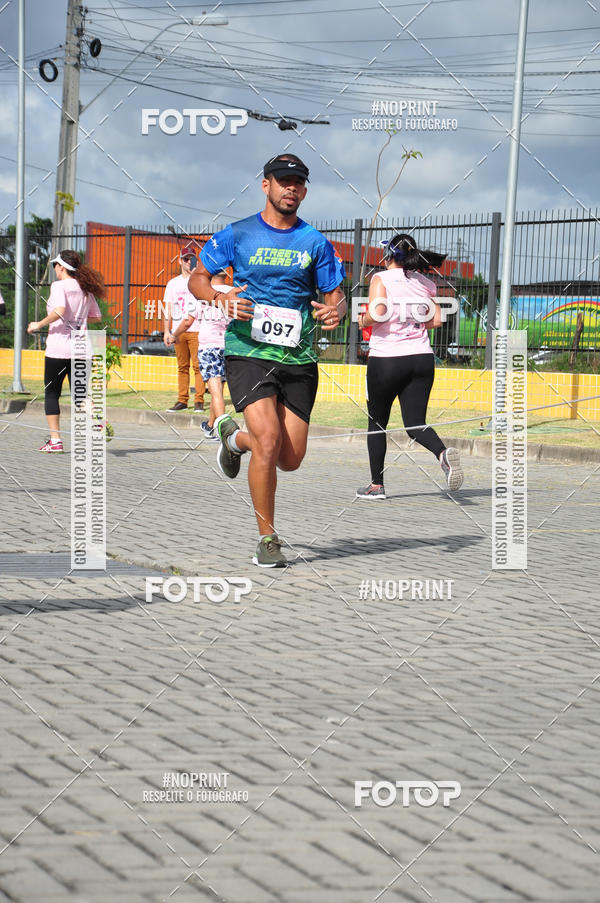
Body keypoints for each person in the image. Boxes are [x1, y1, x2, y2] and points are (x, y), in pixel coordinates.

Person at [189, 153, 346, 567]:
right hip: (248, 352)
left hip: (299, 357)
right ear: (266, 185)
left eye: (298, 182)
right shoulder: (237, 234)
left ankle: (233, 440)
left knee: (289, 459)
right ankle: (267, 538)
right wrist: (220, 298)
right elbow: (197, 278)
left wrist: (336, 312)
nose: (290, 188)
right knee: (270, 440)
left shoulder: (315, 242)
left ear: (305, 191)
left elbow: (335, 297)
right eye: (283, 181)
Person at [356, 233, 463, 499]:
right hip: (421, 359)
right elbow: (437, 320)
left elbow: (378, 314)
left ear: (388, 254)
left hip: (387, 360)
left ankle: (376, 486)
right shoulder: (426, 283)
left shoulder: (380, 278)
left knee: (377, 423)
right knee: (415, 423)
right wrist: (411, 322)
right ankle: (442, 454)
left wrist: (363, 319)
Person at [27, 249, 103, 453]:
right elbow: (96, 317)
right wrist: (78, 318)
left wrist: (38, 324)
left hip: (59, 349)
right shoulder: (85, 288)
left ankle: (55, 441)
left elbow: (59, 311)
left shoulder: (59, 286)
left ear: (61, 267)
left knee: (52, 394)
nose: (54, 269)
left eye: (55, 265)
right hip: (81, 349)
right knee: (80, 395)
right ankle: (96, 420)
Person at [173, 272, 230, 440]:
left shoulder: (201, 291)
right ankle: (211, 426)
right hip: (229, 346)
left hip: (209, 345)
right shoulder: (233, 291)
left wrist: (174, 334)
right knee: (218, 391)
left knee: (215, 391)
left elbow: (188, 321)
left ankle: (222, 431)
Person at [163, 244, 205, 413]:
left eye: (191, 259)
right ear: (180, 260)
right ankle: (182, 400)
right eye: (186, 259)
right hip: (178, 331)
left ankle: (199, 401)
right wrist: (167, 331)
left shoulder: (200, 280)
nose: (188, 262)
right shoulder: (172, 284)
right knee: (182, 366)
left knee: (198, 366)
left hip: (197, 328)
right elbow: (168, 308)